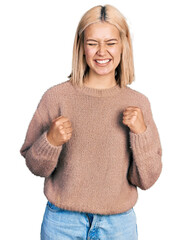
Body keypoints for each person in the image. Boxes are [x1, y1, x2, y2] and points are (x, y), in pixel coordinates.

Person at [20, 4, 162, 240]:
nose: (101, 52)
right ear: (81, 47)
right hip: (62, 223)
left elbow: (146, 180)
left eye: (111, 43)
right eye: (93, 43)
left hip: (119, 226)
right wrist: (50, 141)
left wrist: (141, 133)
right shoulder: (56, 97)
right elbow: (35, 167)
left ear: (123, 45)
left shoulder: (138, 103)